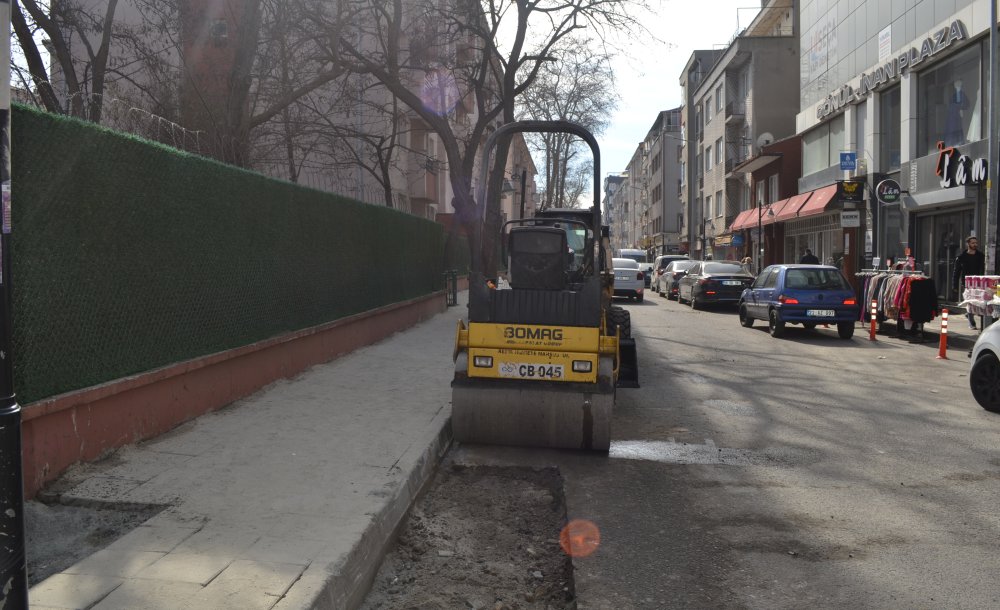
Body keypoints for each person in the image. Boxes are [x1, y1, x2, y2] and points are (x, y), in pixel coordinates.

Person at [954, 235, 985, 329]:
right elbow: (956, 272)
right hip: (967, 283)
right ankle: (972, 323)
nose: (975, 244)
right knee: (970, 302)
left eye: (976, 243)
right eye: (973, 243)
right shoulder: (961, 257)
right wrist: (954, 285)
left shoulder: (981, 256)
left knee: (979, 302)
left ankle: (969, 314)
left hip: (979, 282)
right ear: (968, 244)